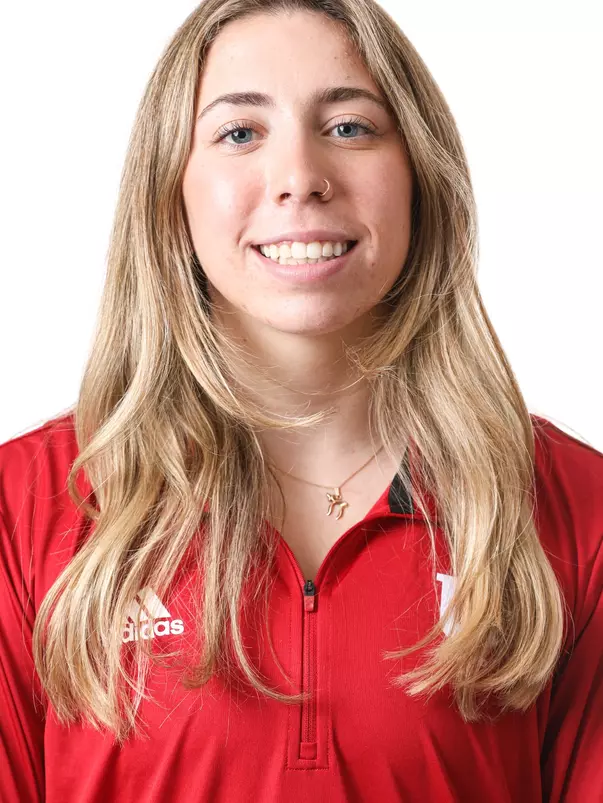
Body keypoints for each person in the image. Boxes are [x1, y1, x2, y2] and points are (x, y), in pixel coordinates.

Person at [1, 1, 601, 800]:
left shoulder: (575, 508)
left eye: (350, 126)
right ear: (167, 188)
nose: (298, 179)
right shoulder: (25, 506)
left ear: (420, 173)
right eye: (240, 132)